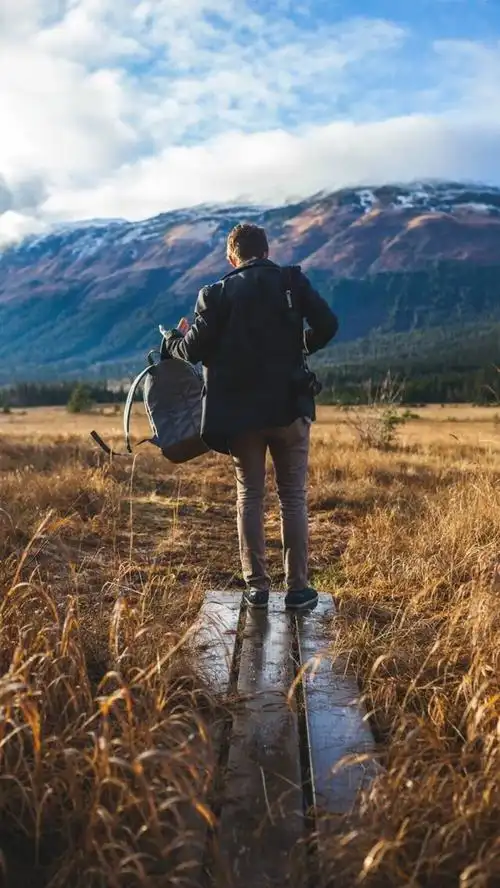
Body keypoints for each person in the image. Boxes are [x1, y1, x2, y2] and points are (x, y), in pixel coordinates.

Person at [162, 223, 338, 610]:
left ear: (231, 257)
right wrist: (301, 347)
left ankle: (257, 589)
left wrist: (171, 340)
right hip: (290, 407)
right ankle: (298, 590)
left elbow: (190, 351)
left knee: (250, 496)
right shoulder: (292, 282)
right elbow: (328, 325)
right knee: (293, 497)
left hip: (240, 417)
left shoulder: (216, 294)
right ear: (267, 250)